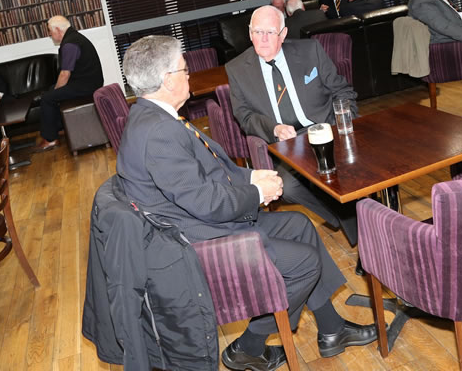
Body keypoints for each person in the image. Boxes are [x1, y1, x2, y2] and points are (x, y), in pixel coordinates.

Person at [118, 35, 377, 370]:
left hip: (199, 223)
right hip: (199, 244)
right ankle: (249, 343)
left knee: (299, 225)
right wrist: (257, 194)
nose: (188, 76)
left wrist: (253, 176)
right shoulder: (160, 132)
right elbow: (206, 202)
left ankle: (331, 329)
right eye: (184, 70)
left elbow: (206, 174)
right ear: (167, 80)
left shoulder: (153, 118)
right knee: (304, 263)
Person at [226, 5, 359, 247]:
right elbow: (244, 116)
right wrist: (273, 128)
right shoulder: (237, 69)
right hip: (286, 143)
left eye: (270, 32)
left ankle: (359, 230)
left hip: (325, 130)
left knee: (346, 172)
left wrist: (345, 122)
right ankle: (345, 217)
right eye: (257, 32)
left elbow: (342, 90)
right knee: (287, 187)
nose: (263, 39)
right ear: (249, 33)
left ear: (283, 34)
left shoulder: (309, 51)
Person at [37, 15, 104, 151]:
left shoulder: (70, 44)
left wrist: (55, 92)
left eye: (50, 31)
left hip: (86, 85)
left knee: (47, 98)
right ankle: (59, 127)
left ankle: (50, 139)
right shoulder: (74, 37)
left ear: (57, 30)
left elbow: (65, 74)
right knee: (50, 92)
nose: (49, 34)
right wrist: (55, 90)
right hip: (87, 81)